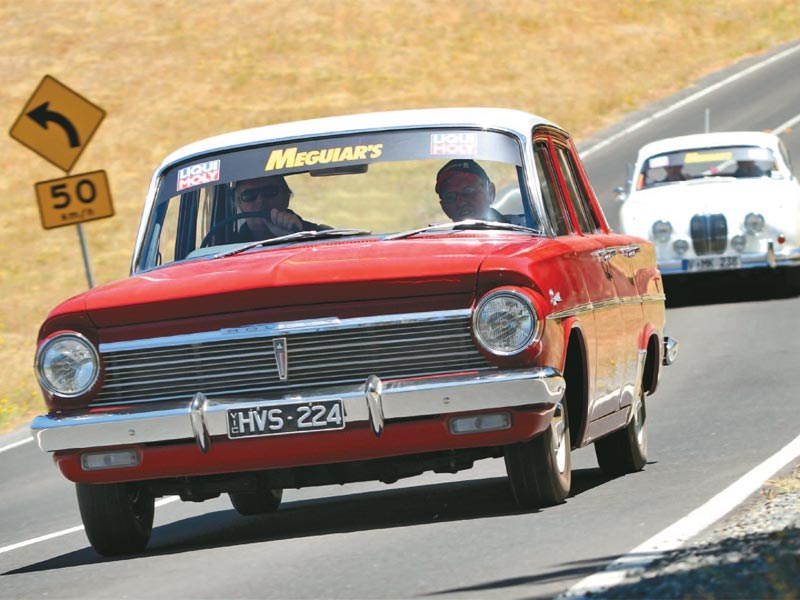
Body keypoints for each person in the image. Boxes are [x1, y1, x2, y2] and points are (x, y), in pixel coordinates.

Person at [232, 175, 326, 241]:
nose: (260, 200)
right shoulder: (226, 249)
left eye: (269, 191)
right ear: (239, 204)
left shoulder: (321, 235)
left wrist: (295, 237)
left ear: (286, 197)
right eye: (249, 195)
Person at [434, 159, 507, 222]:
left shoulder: (516, 230)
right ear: (444, 207)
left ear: (490, 193)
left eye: (468, 191)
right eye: (449, 196)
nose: (461, 202)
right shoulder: (437, 237)